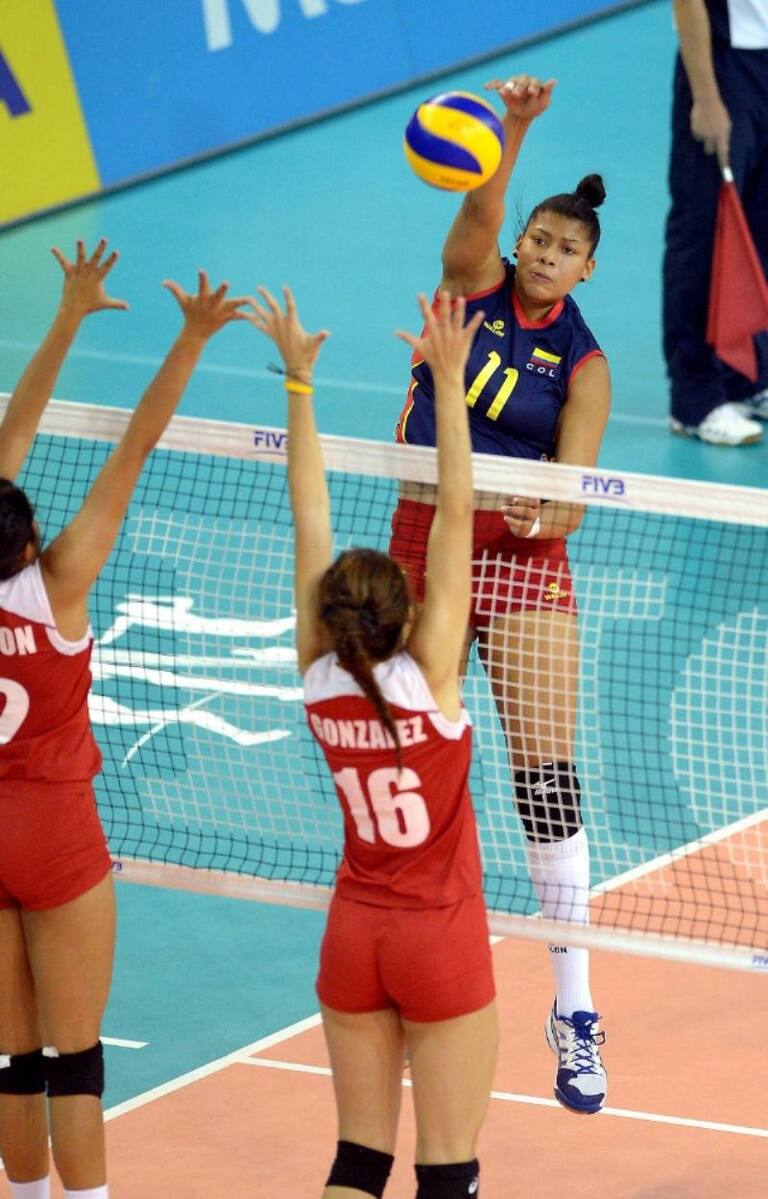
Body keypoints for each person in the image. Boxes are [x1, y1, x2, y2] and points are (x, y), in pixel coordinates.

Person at [0, 241, 249, 1199]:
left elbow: (12, 433)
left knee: (11, 1057)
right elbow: (134, 447)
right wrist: (189, 338)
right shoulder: (57, 583)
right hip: (55, 832)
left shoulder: (29, 567)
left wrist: (65, 318)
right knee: (76, 1059)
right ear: (29, 537)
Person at [391, 73, 610, 1115]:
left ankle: (575, 1009)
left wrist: (543, 515)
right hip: (425, 533)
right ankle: (408, 983)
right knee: (406, 762)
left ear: (586, 268)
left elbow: (575, 490)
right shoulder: (470, 283)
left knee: (546, 779)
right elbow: (476, 215)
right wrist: (511, 131)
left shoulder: (585, 364)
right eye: (538, 237)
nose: (545, 253)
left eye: (566, 248)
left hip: (522, 558)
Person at [249, 284, 497, 1199]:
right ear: (407, 614)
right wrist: (451, 381)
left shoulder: (317, 673)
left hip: (354, 933)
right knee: (448, 1171)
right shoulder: (432, 676)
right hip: (439, 937)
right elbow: (458, 512)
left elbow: (307, 513)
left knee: (357, 1161)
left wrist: (299, 383)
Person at [664, 0, 768, 445]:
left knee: (761, 229)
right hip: (724, 67)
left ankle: (749, 375)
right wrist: (706, 98)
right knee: (704, 232)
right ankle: (694, 397)